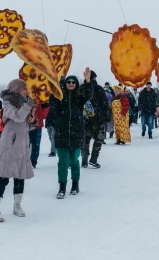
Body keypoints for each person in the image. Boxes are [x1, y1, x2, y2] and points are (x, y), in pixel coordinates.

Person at [0, 79, 37, 222]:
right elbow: (17, 117)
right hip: (10, 142)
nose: (26, 91)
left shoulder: (24, 103)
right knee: (4, 175)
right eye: (24, 88)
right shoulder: (8, 102)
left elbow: (27, 123)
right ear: (17, 89)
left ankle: (17, 206)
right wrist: (28, 105)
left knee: (20, 175)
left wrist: (32, 121)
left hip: (22, 142)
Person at [51, 70, 93, 199]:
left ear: (76, 84)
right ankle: (62, 187)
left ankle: (75, 185)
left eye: (73, 82)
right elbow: (52, 101)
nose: (70, 84)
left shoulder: (79, 97)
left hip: (76, 132)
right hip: (62, 133)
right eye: (68, 82)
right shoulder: (59, 96)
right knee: (62, 162)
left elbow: (89, 94)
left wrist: (87, 81)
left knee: (74, 160)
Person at [81, 71, 110, 169]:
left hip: (84, 118)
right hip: (98, 118)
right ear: (94, 78)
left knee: (85, 138)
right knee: (99, 138)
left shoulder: (81, 88)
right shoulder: (99, 89)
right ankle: (93, 159)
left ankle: (84, 158)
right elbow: (105, 104)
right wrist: (106, 117)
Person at [29, 102, 49, 168]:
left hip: (37, 124)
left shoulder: (40, 94)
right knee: (25, 144)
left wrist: (41, 115)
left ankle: (33, 162)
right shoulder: (23, 94)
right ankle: (26, 161)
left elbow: (46, 107)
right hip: (25, 124)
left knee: (36, 144)